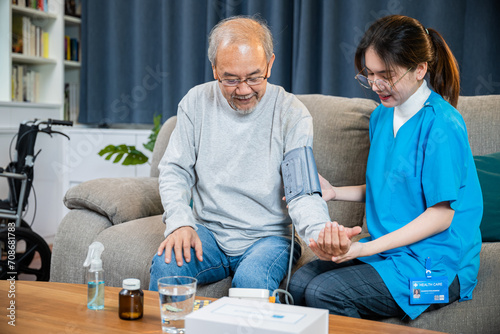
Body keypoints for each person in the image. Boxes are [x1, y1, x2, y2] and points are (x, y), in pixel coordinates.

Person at [289, 15, 483, 320]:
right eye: (370, 74)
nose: (376, 85)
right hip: (390, 253)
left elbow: (442, 215)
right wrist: (334, 192)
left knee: (322, 291)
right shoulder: (381, 117)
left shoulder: (442, 124)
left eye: (387, 75)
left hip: (438, 268)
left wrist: (363, 249)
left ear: (420, 69)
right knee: (298, 283)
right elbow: (395, 186)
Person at [148, 16, 334, 296]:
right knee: (166, 266)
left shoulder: (292, 114)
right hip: (208, 233)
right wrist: (180, 223)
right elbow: (175, 170)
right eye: (231, 79)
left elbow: (302, 191)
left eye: (254, 77)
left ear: (270, 63)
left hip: (270, 238)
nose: (244, 89)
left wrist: (320, 233)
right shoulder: (195, 103)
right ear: (214, 70)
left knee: (252, 282)